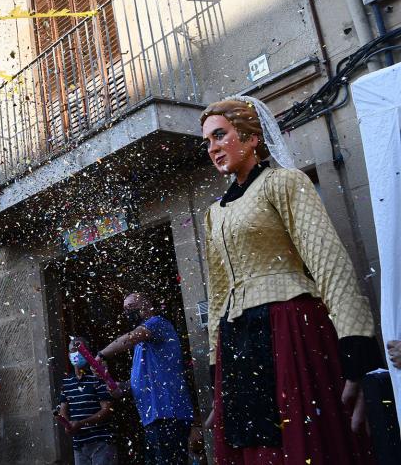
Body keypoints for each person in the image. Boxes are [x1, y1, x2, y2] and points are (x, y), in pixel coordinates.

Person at [200, 97, 379, 464]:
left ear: (251, 138)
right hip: (238, 341)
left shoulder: (283, 183)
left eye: (220, 135)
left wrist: (356, 346)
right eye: (207, 142)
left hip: (290, 327)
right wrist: (216, 366)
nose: (213, 148)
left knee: (300, 442)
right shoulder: (213, 214)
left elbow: (329, 263)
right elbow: (219, 291)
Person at [95, 292, 195, 465]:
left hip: (168, 414)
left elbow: (130, 338)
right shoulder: (141, 347)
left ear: (148, 305)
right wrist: (121, 387)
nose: (129, 313)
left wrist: (101, 354)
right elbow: (141, 381)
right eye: (125, 310)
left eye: (132, 307)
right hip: (152, 417)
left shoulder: (157, 323)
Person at [58, 337, 117, 465]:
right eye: (73, 350)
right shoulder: (67, 382)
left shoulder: (98, 377)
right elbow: (63, 409)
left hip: (101, 442)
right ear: (68, 354)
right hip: (79, 445)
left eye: (80, 350)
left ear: (87, 353)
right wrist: (67, 424)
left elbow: (107, 409)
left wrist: (82, 423)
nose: (76, 353)